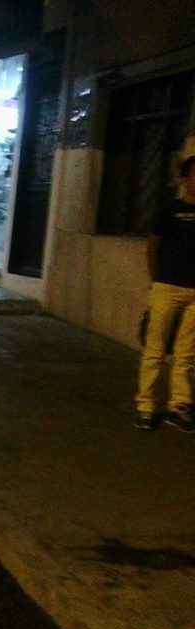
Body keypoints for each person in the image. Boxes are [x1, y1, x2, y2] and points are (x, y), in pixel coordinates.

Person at [134, 156, 195, 432]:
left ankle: (179, 405)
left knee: (187, 353)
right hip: (167, 288)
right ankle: (146, 406)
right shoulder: (169, 210)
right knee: (155, 350)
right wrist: (156, 280)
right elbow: (152, 247)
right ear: (184, 179)